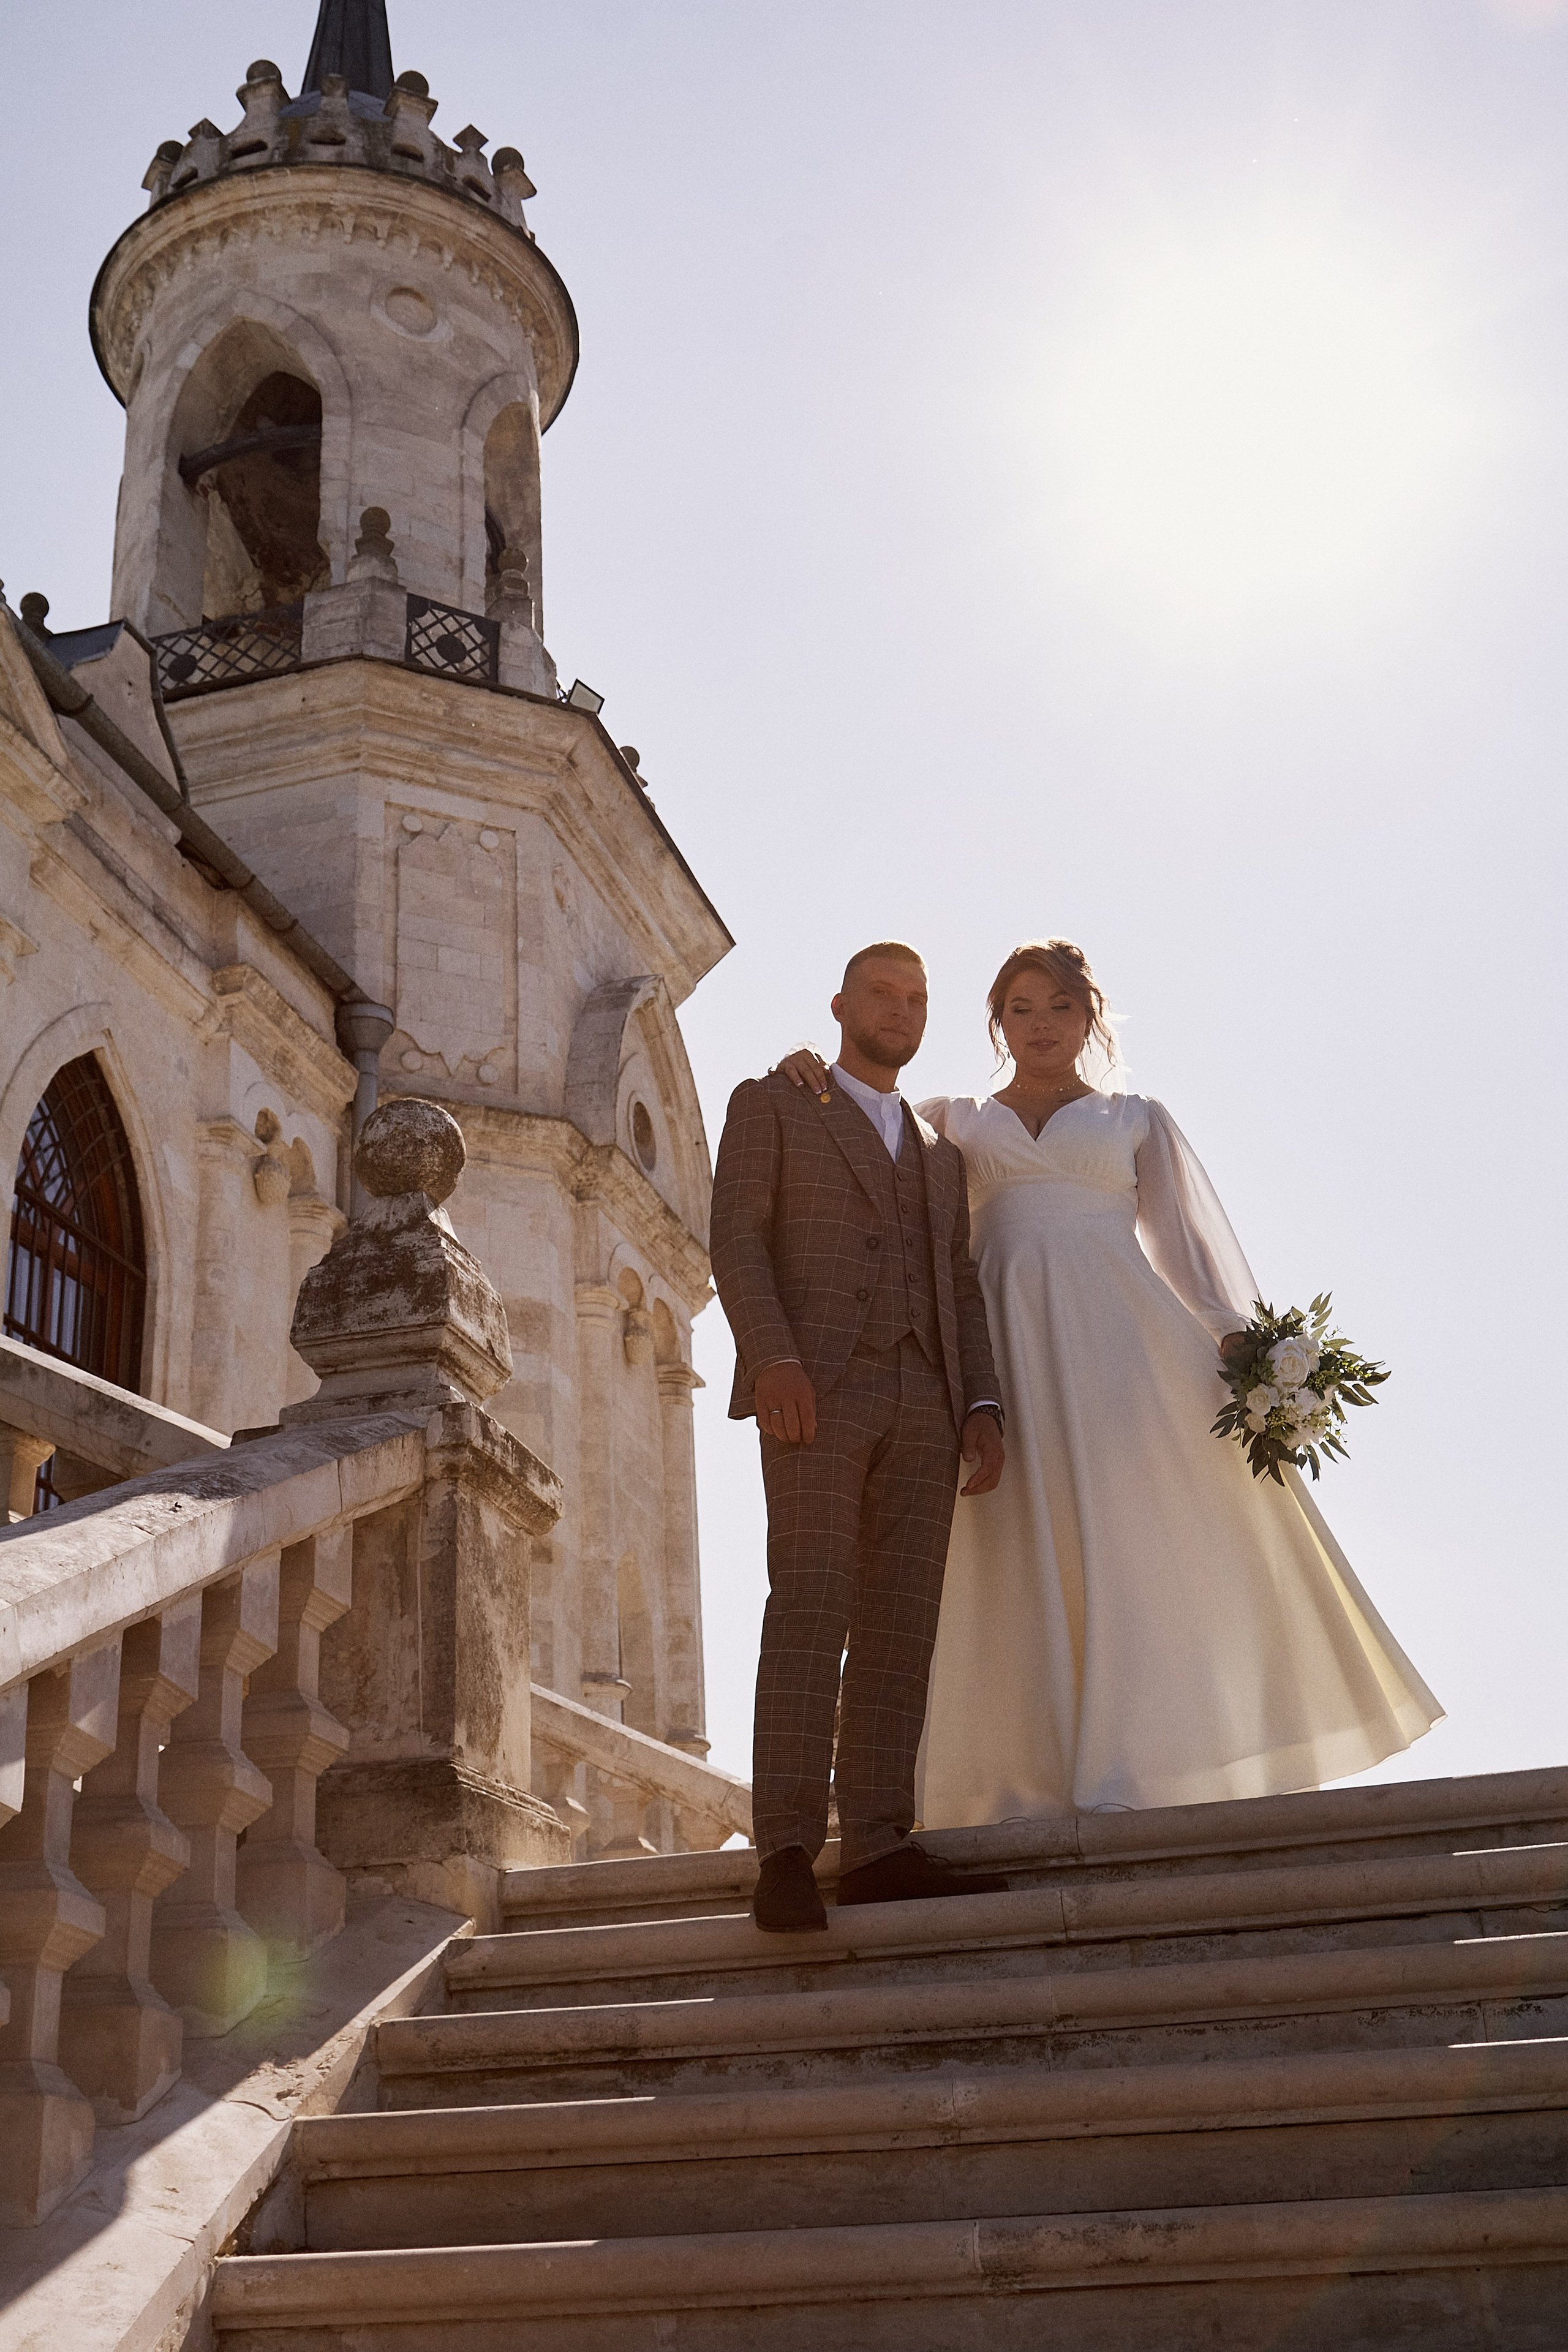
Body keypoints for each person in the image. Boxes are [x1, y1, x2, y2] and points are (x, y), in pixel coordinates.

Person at [777, 939, 1442, 1828]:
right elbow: (868, 1130)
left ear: (1088, 1018)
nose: (1039, 1024)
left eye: (1057, 1006)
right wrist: (805, 1073)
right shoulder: (955, 1121)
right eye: (1020, 1008)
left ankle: (1126, 1760)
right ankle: (1019, 1769)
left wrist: (1253, 1367)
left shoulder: (1138, 1119)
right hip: (999, 1360)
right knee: (1010, 1546)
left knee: (1125, 1544)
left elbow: (1187, 1255)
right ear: (996, 1022)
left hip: (1125, 1355)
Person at [710, 942, 1012, 1932]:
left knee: (899, 1625)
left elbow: (959, 1285)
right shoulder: (776, 1101)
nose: (901, 1008)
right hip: (817, 1388)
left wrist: (980, 1404)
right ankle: (788, 1850)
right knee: (810, 1602)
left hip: (926, 1401)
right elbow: (740, 1238)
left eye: (918, 998)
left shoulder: (940, 1157)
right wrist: (774, 1359)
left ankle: (879, 1840)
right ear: (841, 1003)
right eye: (884, 991)